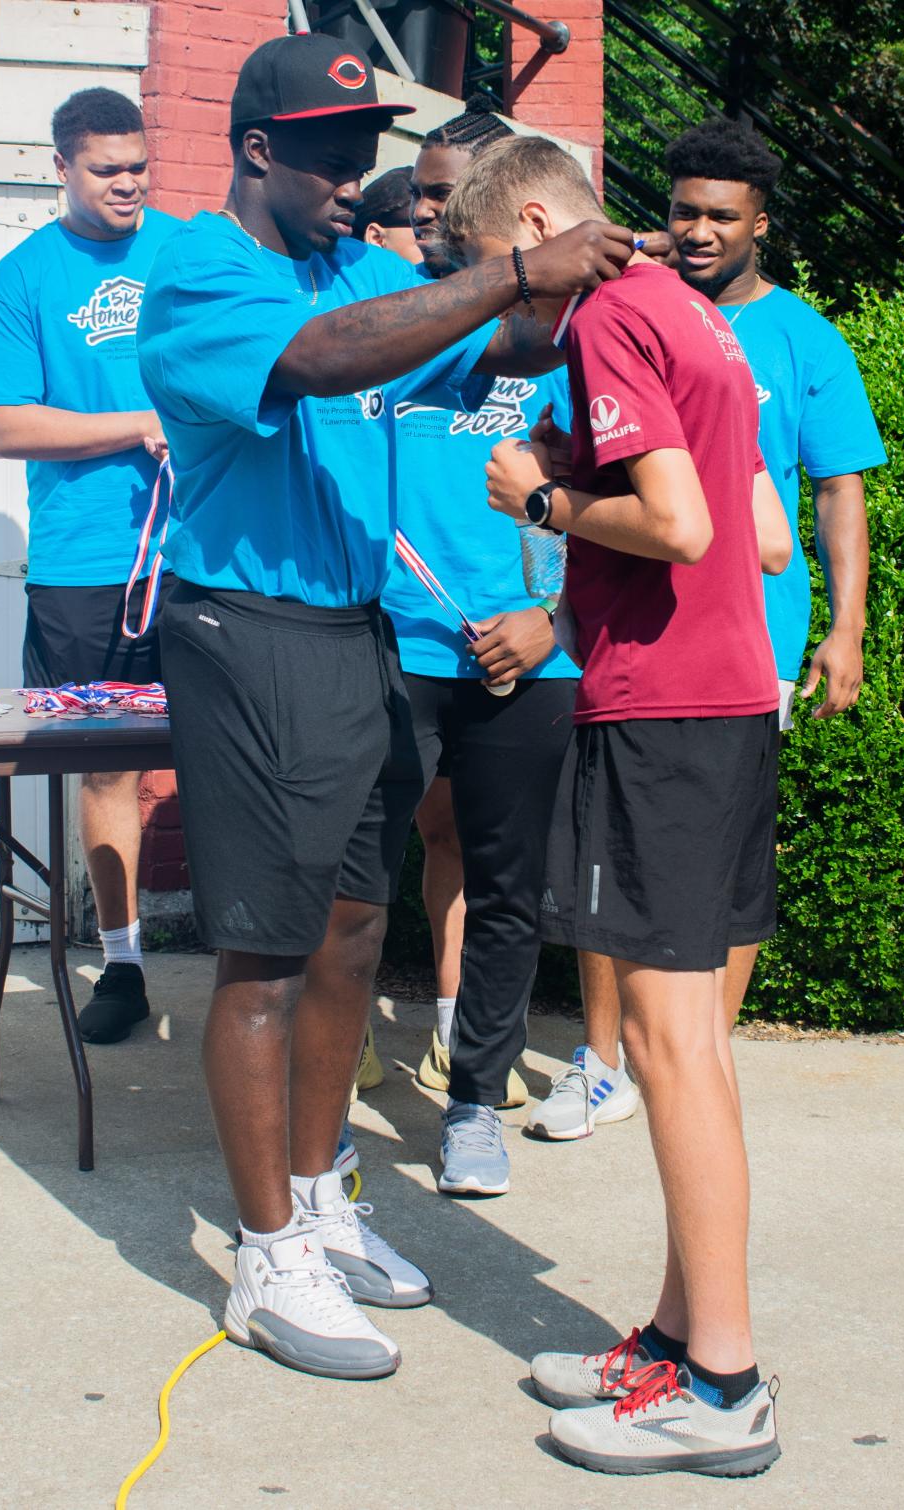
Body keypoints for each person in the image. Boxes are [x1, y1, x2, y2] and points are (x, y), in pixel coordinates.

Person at [136, 34, 641, 1382]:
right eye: (326, 151)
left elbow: (488, 336)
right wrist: (511, 272)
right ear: (256, 148)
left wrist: (578, 256)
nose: (357, 177)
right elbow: (323, 357)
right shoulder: (200, 270)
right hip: (246, 630)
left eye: (368, 150)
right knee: (264, 953)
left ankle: (318, 1196)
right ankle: (264, 1257)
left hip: (359, 630)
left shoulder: (362, 261)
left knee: (355, 932)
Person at [445, 133, 790, 1475]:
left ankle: (723, 1382)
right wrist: (582, 480)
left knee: (668, 1043)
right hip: (719, 702)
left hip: (667, 716)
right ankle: (676, 1333)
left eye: (500, 273)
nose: (505, 302)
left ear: (540, 222)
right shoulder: (691, 312)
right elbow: (758, 532)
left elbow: (689, 528)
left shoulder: (607, 320)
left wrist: (546, 494)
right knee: (678, 1037)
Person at [535, 118, 887, 1118]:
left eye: (721, 217)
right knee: (619, 861)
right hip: (632, 639)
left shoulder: (802, 338)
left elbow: (833, 491)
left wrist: (846, 627)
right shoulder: (630, 313)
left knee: (715, 862)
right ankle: (605, 1059)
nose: (697, 231)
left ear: (761, 224)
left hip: (746, 640)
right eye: (684, 210)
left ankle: (691, 1058)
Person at [377, 98, 602, 1198]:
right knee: (358, 876)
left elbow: (641, 520)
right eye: (428, 210)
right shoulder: (407, 325)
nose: (435, 227)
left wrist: (548, 623)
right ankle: (328, 1091)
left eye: (455, 215)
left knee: (511, 888)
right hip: (406, 642)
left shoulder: (596, 347)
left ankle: (474, 1101)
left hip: (535, 658)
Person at [0, 88, 179, 1045]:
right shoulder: (23, 279)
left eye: (138, 165)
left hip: (208, 554)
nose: (130, 183)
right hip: (87, 564)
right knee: (106, 772)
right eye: (107, 170)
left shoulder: (186, 251)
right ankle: (124, 963)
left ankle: (274, 960)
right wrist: (136, 423)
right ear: (61, 168)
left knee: (244, 756)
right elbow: (8, 426)